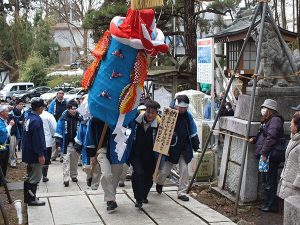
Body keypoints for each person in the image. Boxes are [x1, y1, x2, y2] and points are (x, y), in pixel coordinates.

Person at [156, 95, 200, 201]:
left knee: (184, 170)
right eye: (181, 107)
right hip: (170, 148)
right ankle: (159, 182)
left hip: (184, 147)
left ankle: (182, 192)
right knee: (164, 171)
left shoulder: (188, 116)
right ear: (176, 105)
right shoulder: (169, 115)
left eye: (185, 108)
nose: (182, 109)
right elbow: (162, 132)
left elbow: (193, 131)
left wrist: (195, 144)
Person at [249, 99, 284, 212]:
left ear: (270, 110)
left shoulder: (275, 120)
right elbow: (263, 136)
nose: (262, 110)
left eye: (265, 108)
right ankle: (267, 203)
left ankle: (271, 205)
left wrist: (264, 153)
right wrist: (254, 139)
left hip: (270, 155)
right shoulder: (268, 120)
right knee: (265, 180)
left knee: (269, 181)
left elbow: (271, 138)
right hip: (266, 155)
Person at [129, 100, 161, 208]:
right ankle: (138, 198)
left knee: (148, 178)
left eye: (153, 113)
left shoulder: (160, 125)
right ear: (145, 110)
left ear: (156, 113)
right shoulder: (135, 120)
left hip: (151, 157)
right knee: (138, 174)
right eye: (148, 112)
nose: (150, 115)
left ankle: (144, 196)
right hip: (136, 154)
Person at [22, 97, 46, 206]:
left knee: (30, 175)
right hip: (34, 153)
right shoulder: (36, 120)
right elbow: (37, 139)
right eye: (42, 107)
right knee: (35, 177)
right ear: (40, 108)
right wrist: (40, 154)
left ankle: (29, 198)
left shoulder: (28, 116)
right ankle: (32, 199)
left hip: (28, 151)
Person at [54, 100, 82, 187]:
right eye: (72, 109)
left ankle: (74, 175)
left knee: (75, 161)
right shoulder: (63, 118)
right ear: (68, 109)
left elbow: (82, 131)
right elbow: (58, 130)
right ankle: (66, 179)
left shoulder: (79, 118)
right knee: (66, 161)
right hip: (66, 144)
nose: (74, 111)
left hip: (76, 144)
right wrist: (58, 144)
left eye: (75, 109)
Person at [278, 112, 300, 199]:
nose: (290, 126)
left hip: (294, 187)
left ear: (297, 126)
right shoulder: (294, 139)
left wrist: (296, 186)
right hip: (288, 181)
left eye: (292, 124)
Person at [48, 89, 67, 161]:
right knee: (55, 139)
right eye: (59, 93)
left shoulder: (66, 102)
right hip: (55, 123)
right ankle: (54, 155)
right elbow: (50, 113)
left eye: (62, 93)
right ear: (57, 94)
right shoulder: (53, 103)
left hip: (64, 123)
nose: (61, 95)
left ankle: (62, 156)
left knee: (63, 139)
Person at [40, 108, 57, 182]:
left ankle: (35, 175)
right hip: (47, 141)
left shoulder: (30, 115)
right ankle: (44, 176)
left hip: (36, 141)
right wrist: (53, 135)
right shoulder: (48, 115)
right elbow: (54, 127)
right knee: (46, 159)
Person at [7, 99, 25, 168]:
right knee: (12, 147)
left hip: (19, 132)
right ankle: (12, 162)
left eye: (22, 104)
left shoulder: (23, 112)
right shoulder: (11, 112)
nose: (21, 106)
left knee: (14, 147)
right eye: (20, 104)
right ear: (16, 105)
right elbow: (10, 121)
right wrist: (18, 121)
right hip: (13, 132)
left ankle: (12, 160)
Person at [0, 105, 14, 185]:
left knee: (5, 162)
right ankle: (1, 180)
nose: (8, 113)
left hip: (6, 145)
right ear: (1, 113)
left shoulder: (4, 120)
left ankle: (3, 178)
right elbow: (3, 132)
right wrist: (10, 125)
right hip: (1, 145)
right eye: (6, 111)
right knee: (1, 162)